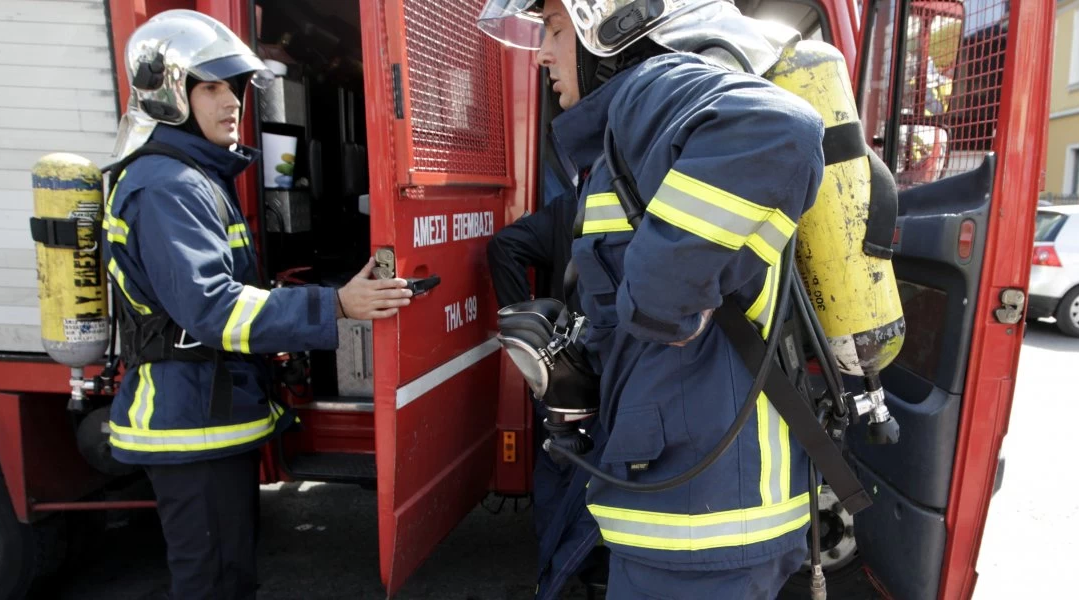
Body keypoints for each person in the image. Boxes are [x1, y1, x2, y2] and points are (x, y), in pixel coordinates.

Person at [478, 0, 823, 597]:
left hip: (702, 526)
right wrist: (586, 356)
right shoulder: (632, 132)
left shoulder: (650, 88)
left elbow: (778, 130)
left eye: (555, 30)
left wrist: (660, 303)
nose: (542, 54)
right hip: (700, 511)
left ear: (615, 25)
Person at [102, 10, 413, 599]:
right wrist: (336, 307)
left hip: (204, 415)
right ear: (171, 95)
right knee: (215, 583)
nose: (232, 103)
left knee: (226, 575)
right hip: (190, 424)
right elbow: (213, 310)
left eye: (235, 88)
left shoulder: (189, 175)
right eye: (212, 88)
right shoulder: (169, 184)